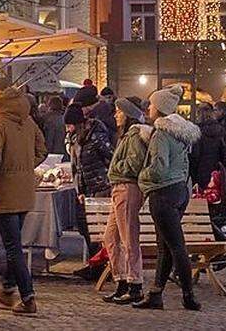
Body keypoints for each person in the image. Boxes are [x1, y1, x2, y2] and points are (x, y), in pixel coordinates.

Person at [0, 76, 48, 315]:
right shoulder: (26, 117)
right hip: (25, 190)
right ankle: (7, 289)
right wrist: (25, 168)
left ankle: (28, 298)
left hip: (5, 190)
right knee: (15, 243)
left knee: (13, 247)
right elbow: (42, 149)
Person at [133, 85, 203, 312]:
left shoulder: (161, 133)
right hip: (179, 190)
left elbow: (159, 167)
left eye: (152, 105)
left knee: (174, 246)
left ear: (160, 108)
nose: (149, 108)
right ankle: (156, 294)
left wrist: (142, 175)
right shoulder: (180, 132)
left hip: (162, 192)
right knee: (166, 246)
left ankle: (188, 295)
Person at [100, 97, 152, 304]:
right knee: (110, 238)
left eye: (119, 111)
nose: (115, 115)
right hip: (120, 188)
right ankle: (121, 280)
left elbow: (135, 162)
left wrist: (115, 169)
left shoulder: (134, 136)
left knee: (129, 237)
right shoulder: (128, 136)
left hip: (127, 188)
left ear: (127, 114)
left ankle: (135, 284)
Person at [66, 104, 113, 256]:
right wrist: (79, 190)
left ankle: (100, 262)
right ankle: (96, 260)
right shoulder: (74, 139)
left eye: (70, 125)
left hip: (101, 187)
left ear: (78, 123)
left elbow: (111, 158)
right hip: (85, 190)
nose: (68, 129)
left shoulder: (97, 135)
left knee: (98, 226)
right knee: (84, 225)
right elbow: (76, 167)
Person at [190, 102, 226, 190]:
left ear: (198, 114)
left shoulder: (197, 132)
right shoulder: (220, 129)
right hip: (216, 170)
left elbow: (195, 155)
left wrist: (192, 175)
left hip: (200, 172)